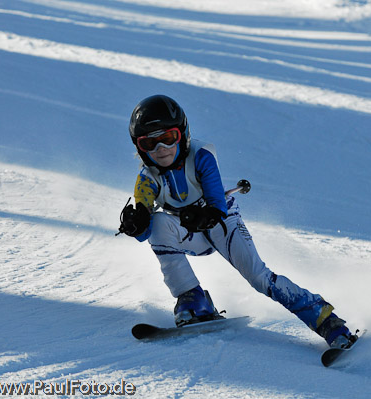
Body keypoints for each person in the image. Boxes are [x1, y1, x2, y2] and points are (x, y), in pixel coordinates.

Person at [118, 94, 356, 348]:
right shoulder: (146, 178)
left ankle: (326, 320)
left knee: (258, 277)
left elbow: (217, 205)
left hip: (223, 222)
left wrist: (206, 214)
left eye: (167, 138)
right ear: (139, 148)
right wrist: (138, 223)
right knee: (158, 224)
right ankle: (192, 298)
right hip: (189, 230)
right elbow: (146, 227)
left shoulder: (201, 155)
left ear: (183, 134)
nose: (160, 149)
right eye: (149, 143)